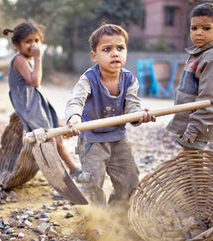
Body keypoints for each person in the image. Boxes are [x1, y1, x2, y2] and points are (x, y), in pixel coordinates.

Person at [65, 23, 156, 207]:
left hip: (118, 139)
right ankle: (97, 219)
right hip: (92, 139)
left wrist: (139, 115)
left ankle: (117, 216)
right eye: (107, 49)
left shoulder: (130, 79)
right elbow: (76, 100)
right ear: (94, 56)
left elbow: (132, 106)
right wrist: (74, 117)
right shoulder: (89, 79)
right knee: (92, 181)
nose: (115, 53)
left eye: (120, 48)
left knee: (129, 178)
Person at [3, 21, 80, 177]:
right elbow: (35, 81)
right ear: (18, 44)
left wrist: (36, 59)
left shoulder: (29, 58)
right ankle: (59, 176)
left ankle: (73, 168)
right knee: (48, 141)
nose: (33, 45)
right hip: (29, 107)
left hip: (37, 104)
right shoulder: (19, 60)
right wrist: (39, 58)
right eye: (28, 41)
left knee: (56, 137)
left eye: (36, 41)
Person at [166, 2, 213, 151]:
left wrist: (193, 129)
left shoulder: (211, 58)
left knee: (195, 167)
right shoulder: (198, 54)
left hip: (198, 128)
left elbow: (210, 101)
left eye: (206, 28)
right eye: (194, 28)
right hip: (190, 124)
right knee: (190, 165)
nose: (198, 33)